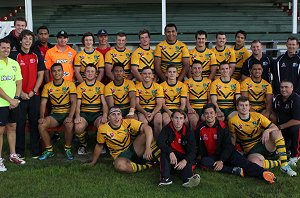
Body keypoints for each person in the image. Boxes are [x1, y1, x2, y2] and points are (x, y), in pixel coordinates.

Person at [195, 103, 276, 183]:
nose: (209, 115)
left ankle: (263, 173)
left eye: (211, 113)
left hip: (227, 153)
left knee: (245, 163)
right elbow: (197, 146)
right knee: (204, 162)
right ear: (203, 115)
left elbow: (228, 146)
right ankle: (234, 170)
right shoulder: (199, 128)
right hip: (212, 156)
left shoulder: (222, 127)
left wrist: (221, 161)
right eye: (206, 113)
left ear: (216, 114)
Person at [228, 96, 297, 176]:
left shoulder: (257, 116)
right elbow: (233, 136)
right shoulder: (232, 121)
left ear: (249, 106)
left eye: (246, 105)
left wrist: (267, 130)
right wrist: (232, 150)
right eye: (241, 105)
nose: (244, 107)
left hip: (264, 143)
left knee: (276, 132)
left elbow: (274, 127)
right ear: (237, 107)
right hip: (252, 150)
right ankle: (279, 162)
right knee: (254, 163)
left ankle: (284, 165)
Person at [89, 106, 160, 173]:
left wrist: (148, 148)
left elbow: (148, 128)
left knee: (146, 135)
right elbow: (99, 146)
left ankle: (163, 162)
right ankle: (148, 166)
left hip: (132, 149)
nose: (116, 117)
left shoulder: (127, 122)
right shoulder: (102, 129)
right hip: (120, 156)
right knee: (120, 165)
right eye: (113, 114)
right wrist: (93, 162)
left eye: (118, 114)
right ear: (109, 117)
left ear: (121, 116)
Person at [9, 30, 45, 159]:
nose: (28, 41)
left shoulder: (36, 55)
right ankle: (20, 151)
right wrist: (21, 93)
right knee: (20, 123)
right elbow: (12, 77)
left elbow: (41, 74)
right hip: (19, 95)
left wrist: (34, 91)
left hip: (34, 95)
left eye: (30, 38)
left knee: (34, 122)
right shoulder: (14, 56)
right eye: (25, 38)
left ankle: (35, 150)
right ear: (20, 40)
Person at [38, 63, 77, 161]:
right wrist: (42, 117)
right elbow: (43, 103)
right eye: (54, 71)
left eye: (59, 70)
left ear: (63, 72)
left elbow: (74, 102)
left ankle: (68, 149)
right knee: (41, 125)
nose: (57, 73)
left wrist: (70, 116)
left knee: (69, 125)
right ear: (51, 73)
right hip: (55, 115)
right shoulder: (47, 86)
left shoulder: (70, 84)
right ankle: (49, 150)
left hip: (67, 113)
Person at [157, 110, 200, 187]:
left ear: (184, 120)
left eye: (181, 118)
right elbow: (160, 142)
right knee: (164, 152)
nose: (178, 121)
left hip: (183, 157)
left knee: (188, 161)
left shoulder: (189, 132)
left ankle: (188, 180)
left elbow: (193, 151)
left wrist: (185, 161)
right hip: (171, 158)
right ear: (172, 119)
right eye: (176, 118)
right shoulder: (166, 129)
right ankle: (165, 179)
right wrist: (170, 152)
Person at [0, 38, 25, 170]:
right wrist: (10, 100)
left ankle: (13, 154)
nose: (6, 50)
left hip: (14, 103)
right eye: (3, 47)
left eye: (8, 48)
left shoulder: (14, 63)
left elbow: (19, 82)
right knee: (0, 131)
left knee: (12, 128)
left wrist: (15, 99)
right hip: (1, 104)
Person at [74, 64, 108, 155]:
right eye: (88, 71)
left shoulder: (101, 86)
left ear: (96, 74)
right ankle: (83, 144)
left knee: (103, 126)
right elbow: (78, 104)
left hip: (97, 114)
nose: (90, 73)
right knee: (78, 127)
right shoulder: (80, 86)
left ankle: (100, 144)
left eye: (92, 71)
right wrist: (77, 115)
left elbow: (104, 103)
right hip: (84, 113)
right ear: (84, 73)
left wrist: (105, 116)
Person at [274, 80, 300, 165]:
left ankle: (295, 155)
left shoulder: (296, 99)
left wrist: (280, 127)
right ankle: (282, 152)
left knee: (295, 129)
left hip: (293, 125)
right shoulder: (278, 98)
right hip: (282, 125)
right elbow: (274, 113)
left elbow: (297, 120)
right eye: (282, 87)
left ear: (292, 88)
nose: (283, 89)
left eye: (286, 87)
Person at [136, 66, 164, 139]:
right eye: (144, 73)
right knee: (144, 123)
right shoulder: (137, 87)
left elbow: (159, 104)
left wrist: (153, 113)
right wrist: (145, 113)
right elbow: (136, 104)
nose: (147, 75)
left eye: (149, 73)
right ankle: (145, 143)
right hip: (142, 110)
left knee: (158, 121)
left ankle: (158, 142)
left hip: (155, 110)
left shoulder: (158, 87)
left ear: (152, 76)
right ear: (141, 75)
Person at [185, 60, 211, 130]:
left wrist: (206, 109)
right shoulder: (187, 82)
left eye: (199, 68)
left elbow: (209, 99)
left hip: (204, 108)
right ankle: (193, 139)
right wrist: (189, 108)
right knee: (193, 120)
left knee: (208, 119)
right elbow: (186, 99)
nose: (197, 70)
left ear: (202, 69)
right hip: (193, 109)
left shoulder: (208, 82)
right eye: (195, 68)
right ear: (191, 69)